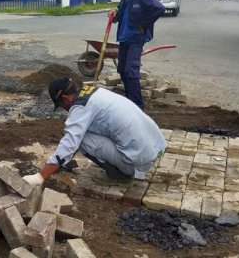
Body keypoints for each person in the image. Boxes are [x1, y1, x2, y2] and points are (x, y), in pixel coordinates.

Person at [23, 77, 166, 186]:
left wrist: (40, 177)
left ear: (65, 98)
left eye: (60, 105)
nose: (63, 109)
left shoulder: (81, 107)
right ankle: (124, 165)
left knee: (81, 139)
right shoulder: (94, 91)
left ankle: (120, 175)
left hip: (138, 161)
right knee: (83, 132)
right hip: (155, 147)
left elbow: (70, 143)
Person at [110, 0, 165, 110]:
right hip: (123, 38)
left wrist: (144, 24)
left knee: (131, 70)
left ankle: (137, 105)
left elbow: (159, 8)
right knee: (122, 69)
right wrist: (114, 13)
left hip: (135, 38)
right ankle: (129, 100)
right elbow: (120, 10)